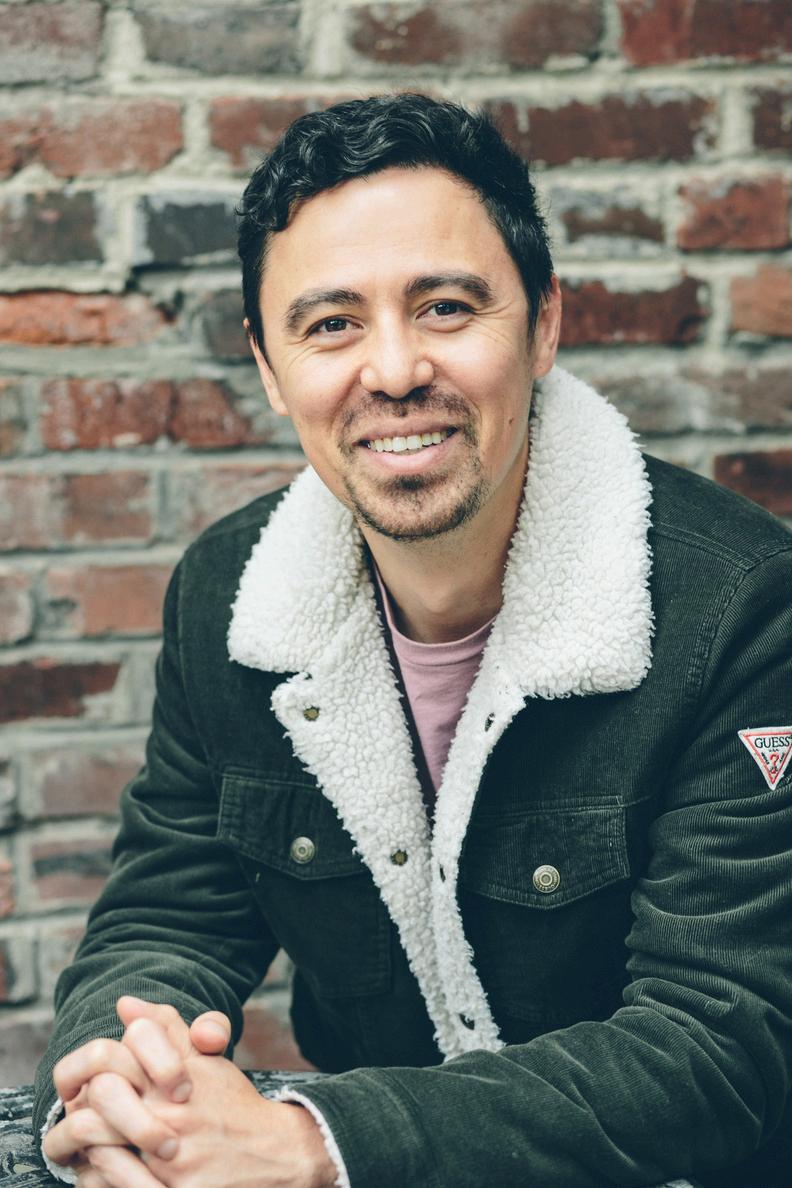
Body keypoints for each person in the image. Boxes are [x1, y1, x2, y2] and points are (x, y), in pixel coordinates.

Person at [34, 93, 792, 1188]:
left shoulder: (742, 607)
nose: (392, 371)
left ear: (542, 324)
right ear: (268, 366)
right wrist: (119, 1079)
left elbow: (718, 1046)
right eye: (330, 325)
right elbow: (167, 916)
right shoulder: (228, 599)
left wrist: (314, 1145)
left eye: (444, 307)